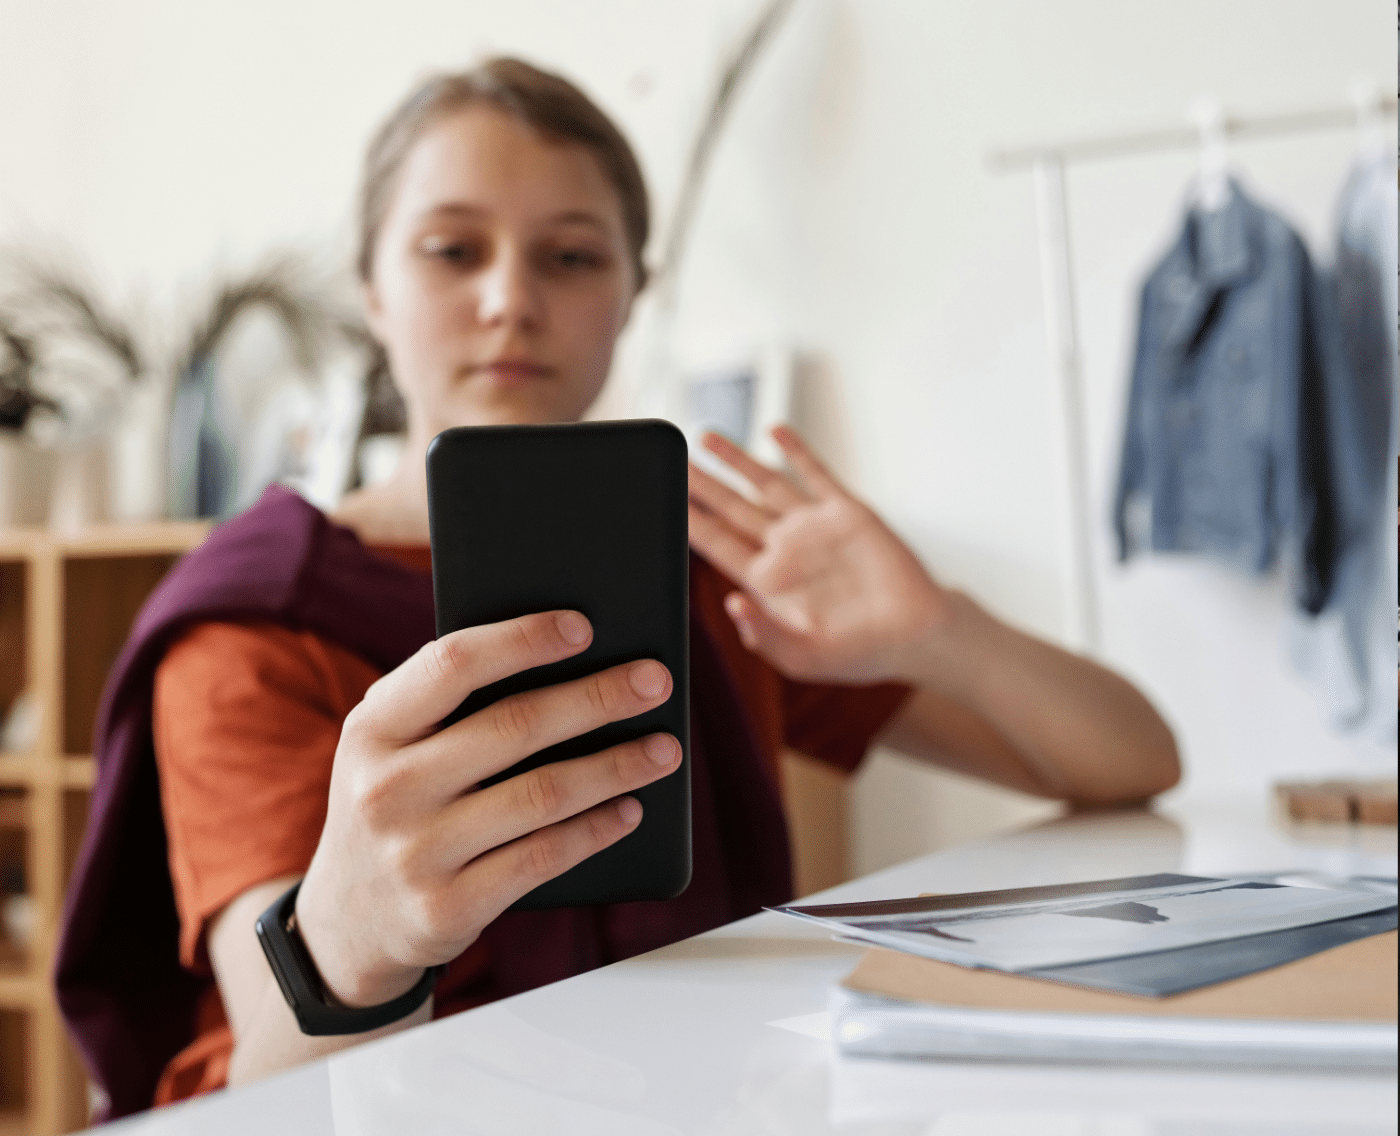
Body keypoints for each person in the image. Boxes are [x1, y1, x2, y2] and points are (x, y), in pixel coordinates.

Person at [56, 58, 1179, 1118]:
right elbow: (273, 1066)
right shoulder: (256, 621)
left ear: (632, 292)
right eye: (452, 250)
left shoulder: (716, 576)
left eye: (571, 256)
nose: (510, 299)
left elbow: (1132, 762)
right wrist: (349, 934)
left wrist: (941, 630)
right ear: (371, 292)